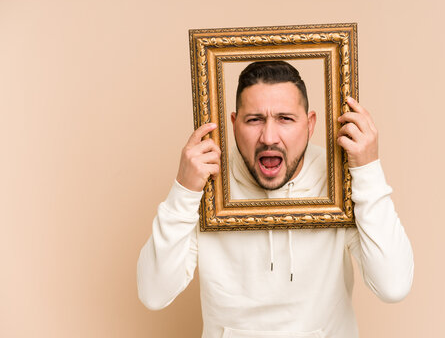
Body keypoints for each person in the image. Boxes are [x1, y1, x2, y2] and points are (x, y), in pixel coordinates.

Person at [137, 61, 414, 338]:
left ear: (310, 124)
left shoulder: (339, 179)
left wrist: (368, 170)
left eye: (285, 119)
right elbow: (153, 293)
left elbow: (393, 285)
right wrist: (184, 190)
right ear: (234, 125)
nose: (269, 137)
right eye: (254, 119)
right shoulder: (207, 183)